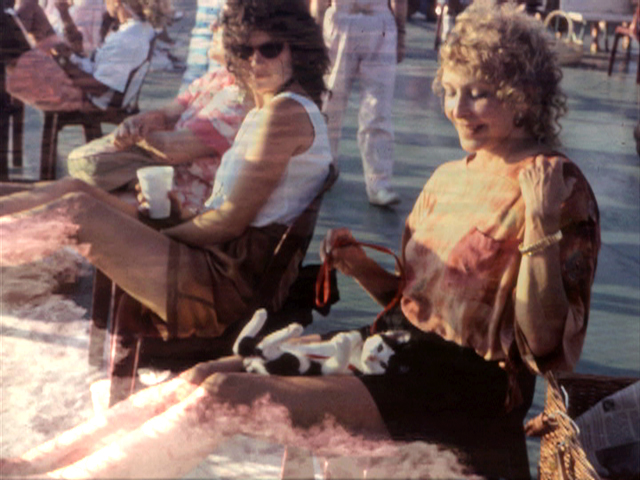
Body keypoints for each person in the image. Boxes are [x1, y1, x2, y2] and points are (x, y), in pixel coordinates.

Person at [1, 1, 600, 478]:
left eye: (480, 92)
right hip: (396, 347)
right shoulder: (451, 175)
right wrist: (362, 266)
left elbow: (545, 346)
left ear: (523, 96)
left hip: (464, 385)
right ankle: (43, 463)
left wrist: (544, 225)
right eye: (451, 89)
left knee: (227, 398)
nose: (457, 109)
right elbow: (412, 301)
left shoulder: (554, 185)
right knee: (209, 374)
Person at [1, 0, 331, 349]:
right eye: (244, 51)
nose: (255, 61)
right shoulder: (275, 106)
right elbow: (230, 214)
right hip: (219, 258)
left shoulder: (284, 114)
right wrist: (170, 216)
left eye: (269, 49)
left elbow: (231, 222)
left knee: (77, 213)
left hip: (221, 282)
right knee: (76, 192)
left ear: (297, 46)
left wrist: (165, 230)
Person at [66, 17, 250, 212]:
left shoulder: (240, 99)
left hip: (184, 202)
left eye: (223, 22)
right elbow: (167, 113)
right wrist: (138, 121)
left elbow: (171, 149)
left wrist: (134, 135)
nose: (212, 26)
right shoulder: (218, 78)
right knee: (72, 192)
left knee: (76, 202)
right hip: (161, 181)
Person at [310, 0, 407, 207]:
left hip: (379, 22)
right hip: (340, 19)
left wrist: (401, 34)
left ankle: (379, 182)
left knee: (378, 107)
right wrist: (316, 28)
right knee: (330, 102)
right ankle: (325, 169)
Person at [5, 0, 163, 112]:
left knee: (24, 12)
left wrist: (63, 62)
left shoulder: (128, 38)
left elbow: (99, 89)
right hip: (81, 78)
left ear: (118, 2)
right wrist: (70, 57)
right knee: (31, 7)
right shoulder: (138, 30)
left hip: (78, 94)